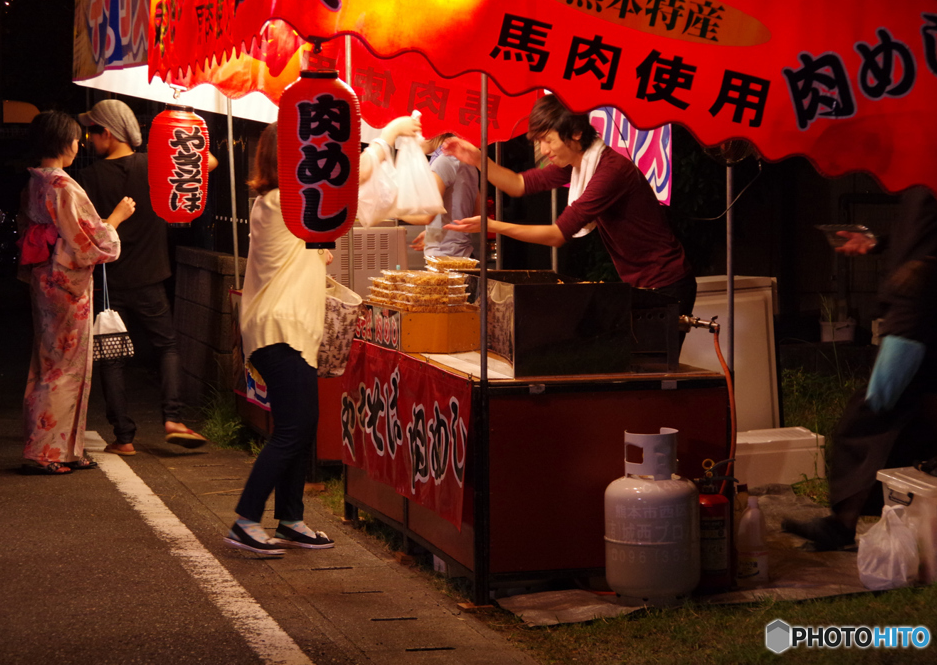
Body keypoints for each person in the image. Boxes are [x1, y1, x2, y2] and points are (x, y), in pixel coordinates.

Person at [226, 116, 419, 556]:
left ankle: (291, 519)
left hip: (289, 330)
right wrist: (389, 135)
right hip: (280, 330)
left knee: (302, 425)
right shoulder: (282, 202)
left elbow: (309, 247)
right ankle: (245, 520)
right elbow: (354, 179)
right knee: (293, 429)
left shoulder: (282, 205)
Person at [443, 94, 696, 321]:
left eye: (548, 140)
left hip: (667, 284)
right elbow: (518, 184)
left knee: (647, 370)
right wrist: (477, 158)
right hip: (643, 283)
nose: (543, 150)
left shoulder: (610, 171)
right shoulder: (579, 163)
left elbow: (557, 234)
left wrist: (492, 225)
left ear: (575, 133)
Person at [784, 186, 937, 550]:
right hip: (916, 310)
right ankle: (845, 522)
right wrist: (879, 243)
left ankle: (842, 523)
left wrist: (926, 267)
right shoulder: (923, 176)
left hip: (915, 313)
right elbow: (920, 233)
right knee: (914, 417)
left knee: (869, 414)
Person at [77, 99, 207, 456]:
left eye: (93, 131)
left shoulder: (87, 179)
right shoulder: (156, 165)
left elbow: (87, 233)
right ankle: (173, 419)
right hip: (152, 275)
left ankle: (124, 437)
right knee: (166, 346)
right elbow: (206, 163)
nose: (89, 139)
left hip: (110, 282)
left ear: (108, 133)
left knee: (112, 355)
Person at [20, 111, 135, 475]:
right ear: (64, 143)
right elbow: (90, 241)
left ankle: (65, 449)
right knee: (65, 368)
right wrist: (115, 218)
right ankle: (48, 452)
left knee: (51, 363)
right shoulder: (63, 186)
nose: (78, 145)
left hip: (45, 278)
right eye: (74, 139)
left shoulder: (36, 181)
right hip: (66, 283)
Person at [401, 132, 479, 259]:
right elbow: (476, 213)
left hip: (444, 257)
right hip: (463, 254)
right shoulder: (467, 160)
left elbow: (426, 216)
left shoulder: (442, 162)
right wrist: (433, 232)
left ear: (430, 133)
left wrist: (391, 210)